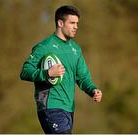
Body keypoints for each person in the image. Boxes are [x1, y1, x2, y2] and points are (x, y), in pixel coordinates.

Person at [20, 5, 102, 134]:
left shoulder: (75, 49)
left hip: (69, 108)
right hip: (50, 106)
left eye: (77, 23)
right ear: (60, 23)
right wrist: (47, 73)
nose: (76, 27)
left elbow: (83, 77)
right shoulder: (44, 47)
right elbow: (25, 71)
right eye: (72, 23)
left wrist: (93, 90)